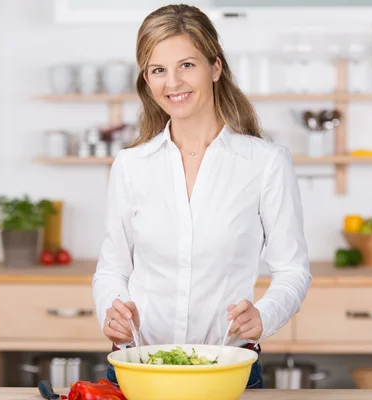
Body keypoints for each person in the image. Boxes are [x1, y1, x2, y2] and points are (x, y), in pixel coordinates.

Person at [92, 3, 311, 390]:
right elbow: (112, 269)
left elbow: (292, 270)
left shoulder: (265, 162)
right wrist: (112, 314)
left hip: (227, 371)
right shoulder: (130, 165)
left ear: (215, 67)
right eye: (158, 70)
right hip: (140, 370)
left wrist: (264, 315)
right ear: (146, 79)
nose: (173, 82)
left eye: (187, 65)